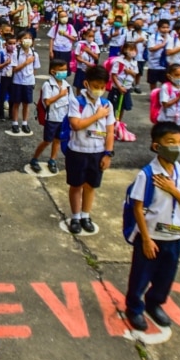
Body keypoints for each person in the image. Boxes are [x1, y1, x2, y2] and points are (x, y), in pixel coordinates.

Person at [124, 121, 180, 332]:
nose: (177, 147)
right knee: (141, 274)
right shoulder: (146, 175)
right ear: (157, 146)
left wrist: (174, 190)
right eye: (171, 142)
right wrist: (146, 239)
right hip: (151, 236)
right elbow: (137, 208)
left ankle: (154, 303)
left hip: (175, 236)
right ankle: (134, 307)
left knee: (166, 275)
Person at [63, 65, 116, 235]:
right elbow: (76, 125)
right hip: (78, 151)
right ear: (86, 84)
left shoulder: (107, 105)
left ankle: (86, 215)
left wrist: (108, 153)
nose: (99, 90)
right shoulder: (76, 102)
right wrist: (97, 115)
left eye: (102, 87)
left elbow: (110, 132)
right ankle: (76, 216)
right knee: (76, 185)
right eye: (96, 86)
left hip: (97, 152)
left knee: (90, 186)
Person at [29, 59, 71, 174]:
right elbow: (47, 102)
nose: (64, 72)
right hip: (52, 118)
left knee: (58, 140)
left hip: (62, 118)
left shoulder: (67, 85)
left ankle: (52, 160)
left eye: (65, 70)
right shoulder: (48, 85)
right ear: (53, 71)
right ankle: (35, 158)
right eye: (61, 70)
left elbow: (71, 102)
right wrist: (60, 95)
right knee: (47, 141)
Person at [8, 33, 39, 134]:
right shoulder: (15, 53)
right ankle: (15, 123)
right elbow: (14, 69)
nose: (28, 40)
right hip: (18, 81)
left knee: (26, 103)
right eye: (25, 38)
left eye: (30, 38)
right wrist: (26, 62)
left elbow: (34, 69)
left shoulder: (34, 54)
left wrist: (33, 81)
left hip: (29, 81)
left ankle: (25, 123)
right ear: (20, 40)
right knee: (16, 103)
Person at [156, 63, 180, 127]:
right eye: (176, 75)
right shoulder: (166, 87)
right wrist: (179, 97)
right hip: (166, 120)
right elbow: (165, 104)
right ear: (169, 76)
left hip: (179, 120)